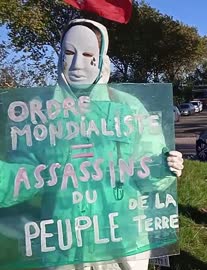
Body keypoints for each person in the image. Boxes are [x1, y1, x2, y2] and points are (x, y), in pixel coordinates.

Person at [0, 19, 184, 270]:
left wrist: (164, 167)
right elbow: (21, 176)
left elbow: (146, 171)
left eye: (88, 55)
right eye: (69, 53)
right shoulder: (37, 113)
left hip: (120, 248)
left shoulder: (128, 108)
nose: (77, 64)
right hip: (63, 250)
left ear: (102, 59)